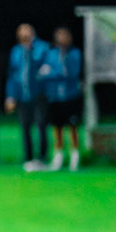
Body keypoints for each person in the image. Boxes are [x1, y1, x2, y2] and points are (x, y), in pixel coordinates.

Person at [5, 22, 50, 170]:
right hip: (22, 96)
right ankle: (28, 159)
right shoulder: (16, 51)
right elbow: (12, 74)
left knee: (41, 126)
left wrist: (31, 49)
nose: (24, 35)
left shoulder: (42, 48)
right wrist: (11, 96)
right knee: (25, 127)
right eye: (21, 32)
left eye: (27, 32)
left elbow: (45, 68)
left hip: (39, 95)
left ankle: (42, 159)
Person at [39, 25, 83, 170]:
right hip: (54, 97)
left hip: (71, 97)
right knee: (56, 127)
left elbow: (70, 73)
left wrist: (53, 72)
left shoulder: (75, 53)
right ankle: (58, 157)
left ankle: (75, 157)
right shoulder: (51, 53)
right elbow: (42, 73)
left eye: (65, 35)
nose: (62, 38)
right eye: (60, 35)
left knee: (72, 127)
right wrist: (53, 73)